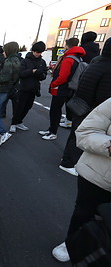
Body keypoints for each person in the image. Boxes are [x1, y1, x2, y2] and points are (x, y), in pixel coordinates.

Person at [52, 97, 111, 263]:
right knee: (84, 213)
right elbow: (84, 133)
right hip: (97, 175)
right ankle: (72, 242)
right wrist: (108, 145)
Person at [59, 37, 111, 177]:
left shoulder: (96, 63)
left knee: (76, 134)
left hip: (81, 103)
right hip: (91, 108)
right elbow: (105, 94)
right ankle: (68, 163)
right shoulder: (107, 68)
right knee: (83, 136)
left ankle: (67, 159)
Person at [39, 38, 86, 140]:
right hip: (70, 88)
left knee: (55, 111)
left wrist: (53, 84)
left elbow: (63, 77)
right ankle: (51, 129)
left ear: (67, 46)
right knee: (57, 110)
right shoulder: (78, 58)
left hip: (61, 89)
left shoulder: (68, 59)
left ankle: (52, 132)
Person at [0, 41, 21, 146]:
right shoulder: (17, 60)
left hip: (2, 89)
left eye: (5, 50)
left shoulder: (8, 61)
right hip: (10, 88)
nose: (3, 52)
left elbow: (5, 77)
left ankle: (3, 132)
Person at [10, 41, 47, 133]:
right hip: (23, 87)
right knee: (19, 106)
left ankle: (19, 121)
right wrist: (32, 71)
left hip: (34, 88)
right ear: (33, 51)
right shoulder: (25, 61)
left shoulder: (42, 62)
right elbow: (20, 74)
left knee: (28, 107)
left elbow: (44, 75)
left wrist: (40, 74)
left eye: (40, 52)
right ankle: (13, 123)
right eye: (37, 52)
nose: (38, 54)